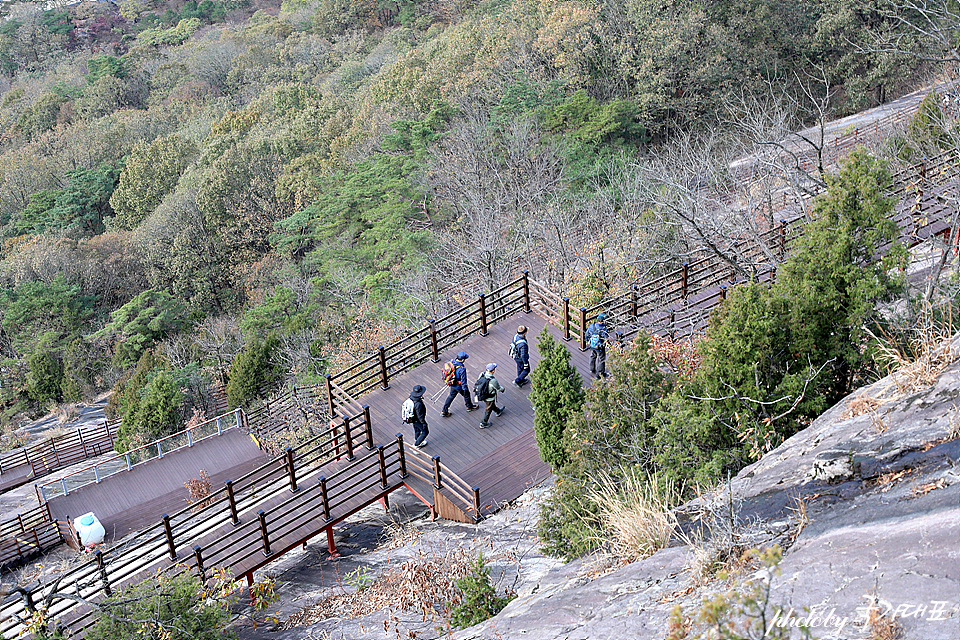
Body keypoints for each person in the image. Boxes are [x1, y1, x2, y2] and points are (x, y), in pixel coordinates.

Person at [441, 351, 480, 417]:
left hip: (452, 384)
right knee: (466, 395)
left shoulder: (452, 362)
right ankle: (469, 406)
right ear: (462, 360)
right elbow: (463, 381)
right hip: (459, 386)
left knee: (451, 396)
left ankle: (444, 410)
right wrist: (465, 389)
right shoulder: (462, 369)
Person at [478, 363, 506, 429]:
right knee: (488, 409)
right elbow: (499, 388)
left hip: (482, 394)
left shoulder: (481, 374)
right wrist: (503, 389)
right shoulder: (493, 380)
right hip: (489, 397)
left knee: (491, 405)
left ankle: (498, 411)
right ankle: (483, 423)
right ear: (493, 371)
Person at [585, 312, 609, 380]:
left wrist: (589, 342)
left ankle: (592, 369)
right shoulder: (604, 329)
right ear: (603, 321)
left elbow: (586, 335)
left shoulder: (592, 326)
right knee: (601, 359)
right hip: (600, 347)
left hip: (592, 345)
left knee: (593, 356)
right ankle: (600, 374)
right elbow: (605, 339)